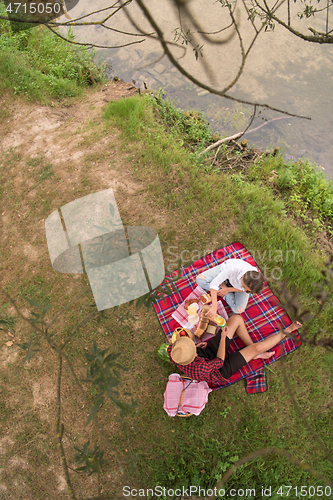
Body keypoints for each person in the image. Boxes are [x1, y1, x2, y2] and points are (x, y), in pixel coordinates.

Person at [167, 315, 302, 387]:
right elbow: (219, 361)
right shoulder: (200, 368)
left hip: (206, 353)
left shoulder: (172, 350)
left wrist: (198, 348)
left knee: (236, 319)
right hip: (220, 369)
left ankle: (253, 353)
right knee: (257, 348)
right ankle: (288, 330)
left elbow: (178, 343)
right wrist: (224, 337)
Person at [196, 258, 264, 318]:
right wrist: (214, 306)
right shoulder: (233, 269)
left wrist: (227, 289)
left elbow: (244, 290)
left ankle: (223, 291)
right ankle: (221, 287)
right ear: (243, 276)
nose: (245, 290)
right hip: (226, 271)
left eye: (248, 290)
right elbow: (213, 285)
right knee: (200, 280)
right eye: (244, 287)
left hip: (232, 286)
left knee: (238, 310)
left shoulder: (255, 281)